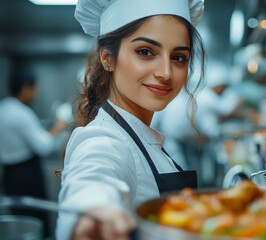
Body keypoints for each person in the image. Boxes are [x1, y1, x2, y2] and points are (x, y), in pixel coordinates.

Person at [56, 0, 206, 239]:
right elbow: (94, 174)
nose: (166, 73)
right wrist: (94, 210)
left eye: (178, 57)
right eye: (145, 52)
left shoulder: (140, 133)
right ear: (107, 58)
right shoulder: (104, 139)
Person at [0, 69, 69, 238]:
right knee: (36, 219)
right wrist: (60, 125)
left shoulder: (3, 108)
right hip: (27, 176)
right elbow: (43, 146)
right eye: (35, 88)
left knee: (21, 221)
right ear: (25, 87)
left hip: (9, 174)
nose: (36, 93)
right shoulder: (22, 113)